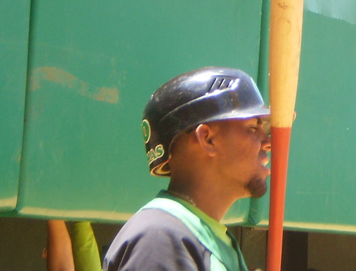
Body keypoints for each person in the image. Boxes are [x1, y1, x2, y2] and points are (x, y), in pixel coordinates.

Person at [103, 67, 271, 271]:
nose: (268, 142)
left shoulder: (205, 238)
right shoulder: (160, 239)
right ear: (207, 139)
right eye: (253, 127)